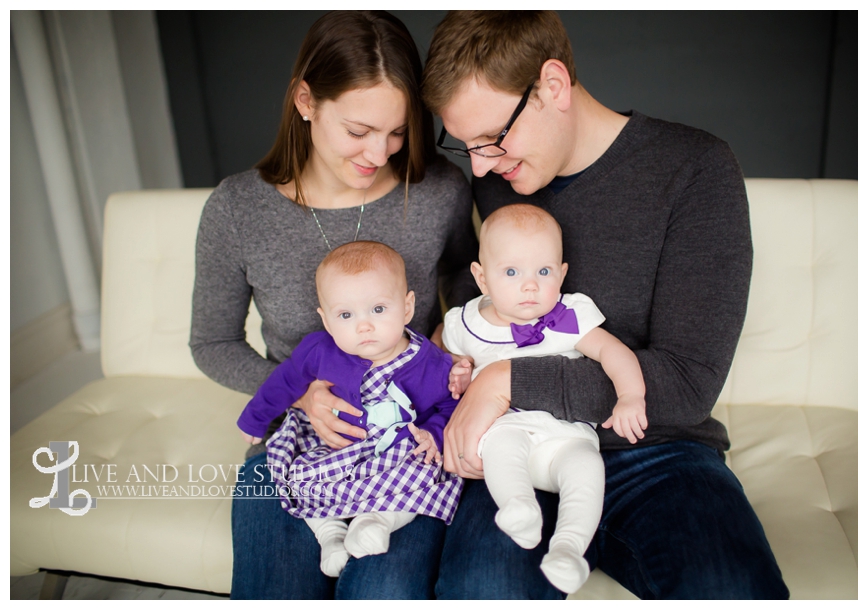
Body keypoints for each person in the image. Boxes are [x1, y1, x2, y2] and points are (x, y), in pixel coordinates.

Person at [422, 10, 789, 599]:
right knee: (480, 588)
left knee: (729, 588)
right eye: (466, 147)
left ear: (553, 86)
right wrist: (463, 374)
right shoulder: (500, 180)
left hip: (657, 448)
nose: (483, 165)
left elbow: (689, 382)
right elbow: (474, 312)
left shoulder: (696, 170)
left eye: (492, 139)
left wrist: (506, 380)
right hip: (519, 443)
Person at [190, 11, 478, 599]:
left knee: (383, 592)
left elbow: (468, 291)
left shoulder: (438, 190)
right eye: (358, 130)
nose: (381, 151)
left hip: (405, 443)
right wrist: (297, 391)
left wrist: (449, 353)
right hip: (297, 436)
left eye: (397, 131)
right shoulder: (237, 209)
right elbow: (211, 343)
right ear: (305, 101)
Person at [442, 204, 645, 594]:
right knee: (501, 446)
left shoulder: (568, 316)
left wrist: (630, 396)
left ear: (562, 274)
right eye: (512, 272)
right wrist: (459, 368)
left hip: (565, 435)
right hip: (507, 430)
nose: (530, 285)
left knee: (587, 469)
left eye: (544, 272)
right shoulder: (465, 322)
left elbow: (613, 352)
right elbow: (450, 356)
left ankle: (568, 549)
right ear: (481, 278)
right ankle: (519, 508)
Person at [237, 241, 462, 578]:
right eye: (345, 315)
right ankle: (330, 535)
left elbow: (449, 404)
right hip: (334, 445)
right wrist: (256, 416)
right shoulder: (319, 350)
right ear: (326, 320)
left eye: (378, 309)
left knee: (426, 473)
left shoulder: (430, 362)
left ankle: (376, 522)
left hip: (394, 453)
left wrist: (434, 433)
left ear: (407, 307)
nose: (363, 326)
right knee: (298, 475)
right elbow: (284, 382)